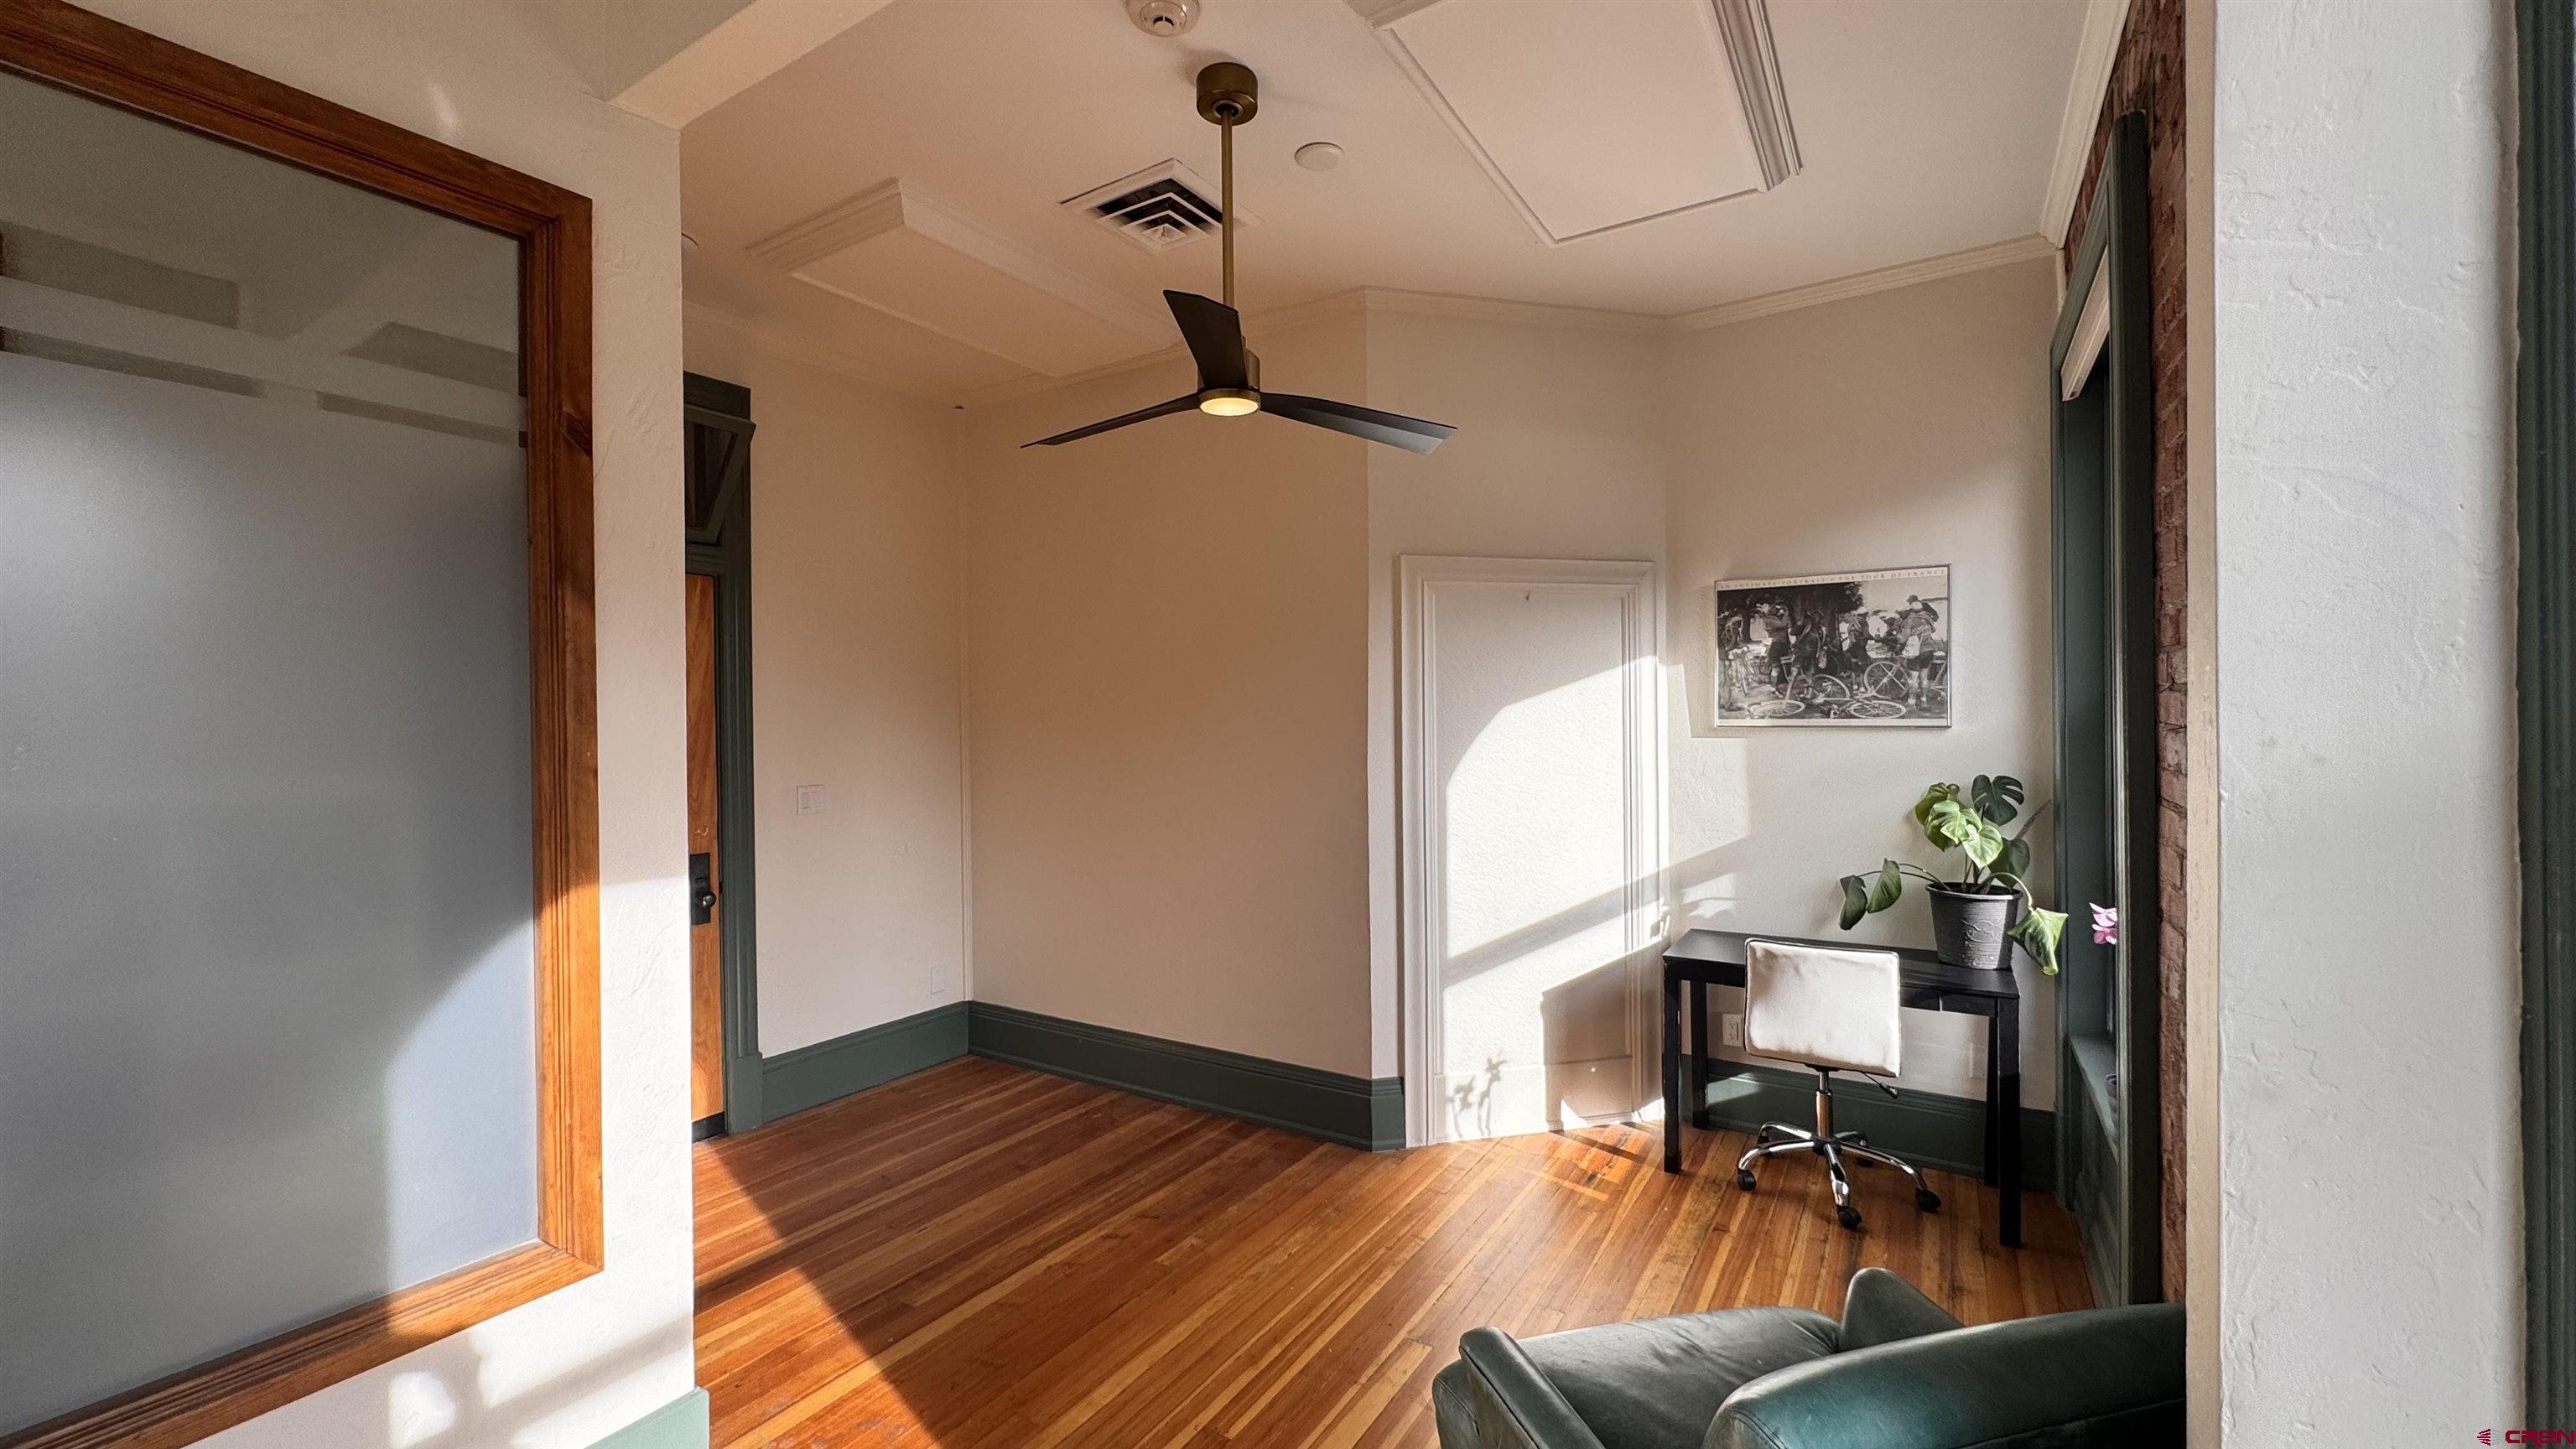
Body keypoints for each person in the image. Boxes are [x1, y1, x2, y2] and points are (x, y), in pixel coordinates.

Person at [1898, 595, 1942, 709]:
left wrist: (1897, 638)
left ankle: (1911, 702)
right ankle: (1924, 701)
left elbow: (1904, 638)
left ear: (1911, 610)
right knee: (1924, 677)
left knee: (1913, 678)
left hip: (1916, 651)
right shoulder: (1928, 618)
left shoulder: (1909, 621)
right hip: (1928, 650)